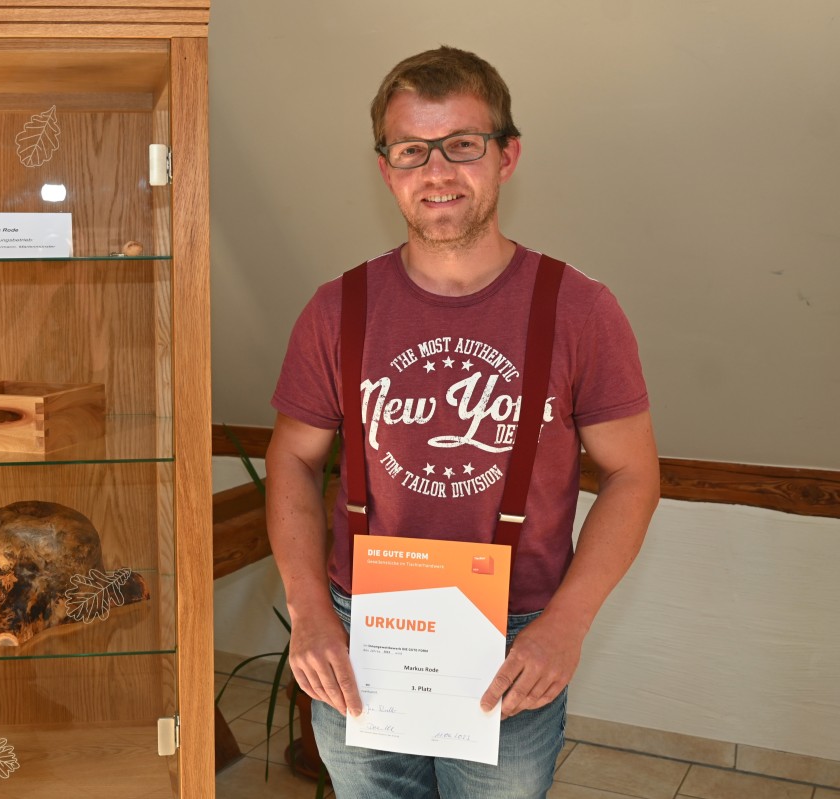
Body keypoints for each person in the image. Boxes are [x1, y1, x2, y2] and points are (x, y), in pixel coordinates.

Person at [266, 45, 660, 798]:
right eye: (413, 150)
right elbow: (292, 457)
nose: (437, 171)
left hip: (517, 633)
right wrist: (309, 607)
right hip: (362, 630)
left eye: (462, 145)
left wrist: (567, 625)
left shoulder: (580, 310)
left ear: (506, 155)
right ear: (387, 168)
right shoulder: (336, 308)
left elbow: (635, 473)